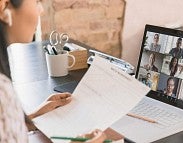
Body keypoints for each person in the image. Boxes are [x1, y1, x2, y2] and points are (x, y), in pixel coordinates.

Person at [0, 0, 106, 142]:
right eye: (36, 1)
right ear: (4, 6)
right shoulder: (3, 91)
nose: (41, 10)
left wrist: (35, 115)